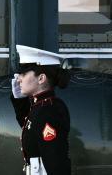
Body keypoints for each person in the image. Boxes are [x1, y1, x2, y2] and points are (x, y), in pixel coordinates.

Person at [10, 45, 71, 175]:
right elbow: (29, 128)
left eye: (24, 73)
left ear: (41, 78)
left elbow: (56, 163)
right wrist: (19, 99)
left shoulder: (49, 111)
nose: (19, 78)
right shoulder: (41, 106)